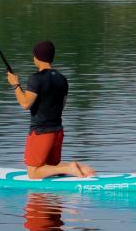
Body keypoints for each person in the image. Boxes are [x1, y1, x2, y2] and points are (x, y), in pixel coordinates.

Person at [7, 40, 96, 179]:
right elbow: (62, 105)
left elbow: (25, 104)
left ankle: (70, 168)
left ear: (37, 57)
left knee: (33, 172)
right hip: (57, 132)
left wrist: (16, 85)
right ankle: (82, 169)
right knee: (50, 167)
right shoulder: (62, 79)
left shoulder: (36, 79)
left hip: (41, 133)